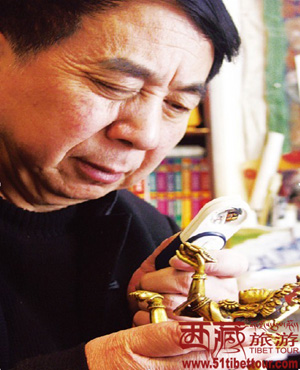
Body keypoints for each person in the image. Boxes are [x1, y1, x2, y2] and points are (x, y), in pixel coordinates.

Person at [0, 0, 274, 369]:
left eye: (177, 105)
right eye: (115, 85)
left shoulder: (147, 231)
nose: (146, 134)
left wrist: (167, 327)